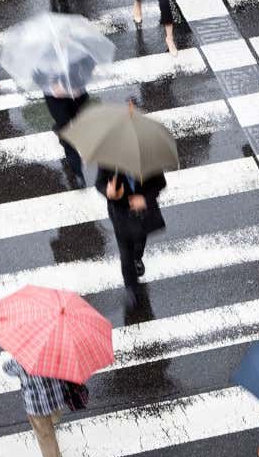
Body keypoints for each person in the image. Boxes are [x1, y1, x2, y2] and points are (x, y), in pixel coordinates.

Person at [95, 166, 166, 310]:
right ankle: (131, 289)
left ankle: (138, 257)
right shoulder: (109, 160)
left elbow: (160, 183)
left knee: (140, 241)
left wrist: (144, 199)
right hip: (120, 213)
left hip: (142, 213)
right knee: (125, 253)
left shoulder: (148, 159)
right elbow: (99, 183)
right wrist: (108, 192)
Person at [3, 359, 71, 457]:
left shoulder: (22, 359)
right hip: (55, 396)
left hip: (36, 405)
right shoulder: (53, 350)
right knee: (54, 416)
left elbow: (8, 369)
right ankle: (54, 420)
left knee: (45, 435)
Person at [33, 55, 96, 189]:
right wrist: (53, 86)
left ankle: (59, 128)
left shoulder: (76, 48)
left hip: (77, 95)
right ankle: (78, 173)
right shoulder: (43, 53)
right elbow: (36, 75)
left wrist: (78, 83)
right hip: (56, 98)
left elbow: (90, 63)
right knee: (67, 132)